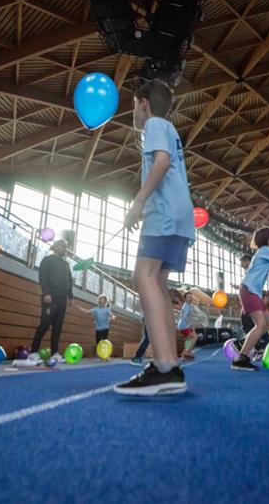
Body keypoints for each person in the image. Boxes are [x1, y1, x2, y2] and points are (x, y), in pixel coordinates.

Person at [115, 79, 195, 396]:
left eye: (133, 105)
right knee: (157, 282)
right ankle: (169, 363)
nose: (133, 112)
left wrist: (137, 204)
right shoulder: (167, 127)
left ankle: (163, 365)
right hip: (179, 216)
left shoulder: (156, 125)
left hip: (164, 213)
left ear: (143, 102)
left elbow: (161, 162)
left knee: (142, 275)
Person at [231, 228, 269, 371]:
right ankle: (241, 359)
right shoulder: (267, 249)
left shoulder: (266, 252)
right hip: (249, 289)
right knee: (260, 325)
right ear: (267, 238)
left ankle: (242, 343)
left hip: (253, 291)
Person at [32, 239, 74, 363]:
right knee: (45, 324)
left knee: (58, 327)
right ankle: (33, 352)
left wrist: (70, 297)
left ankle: (54, 353)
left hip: (62, 300)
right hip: (50, 298)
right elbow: (42, 276)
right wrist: (46, 293)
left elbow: (69, 281)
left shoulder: (66, 265)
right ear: (55, 247)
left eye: (66, 247)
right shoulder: (47, 260)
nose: (65, 249)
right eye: (63, 246)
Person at [177, 291, 197, 360]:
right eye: (189, 297)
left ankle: (184, 357)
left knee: (188, 339)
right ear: (185, 299)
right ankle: (186, 352)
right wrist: (190, 325)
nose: (190, 298)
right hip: (184, 326)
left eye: (191, 297)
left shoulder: (187, 305)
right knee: (194, 336)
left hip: (182, 326)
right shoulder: (187, 306)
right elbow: (185, 316)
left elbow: (187, 316)